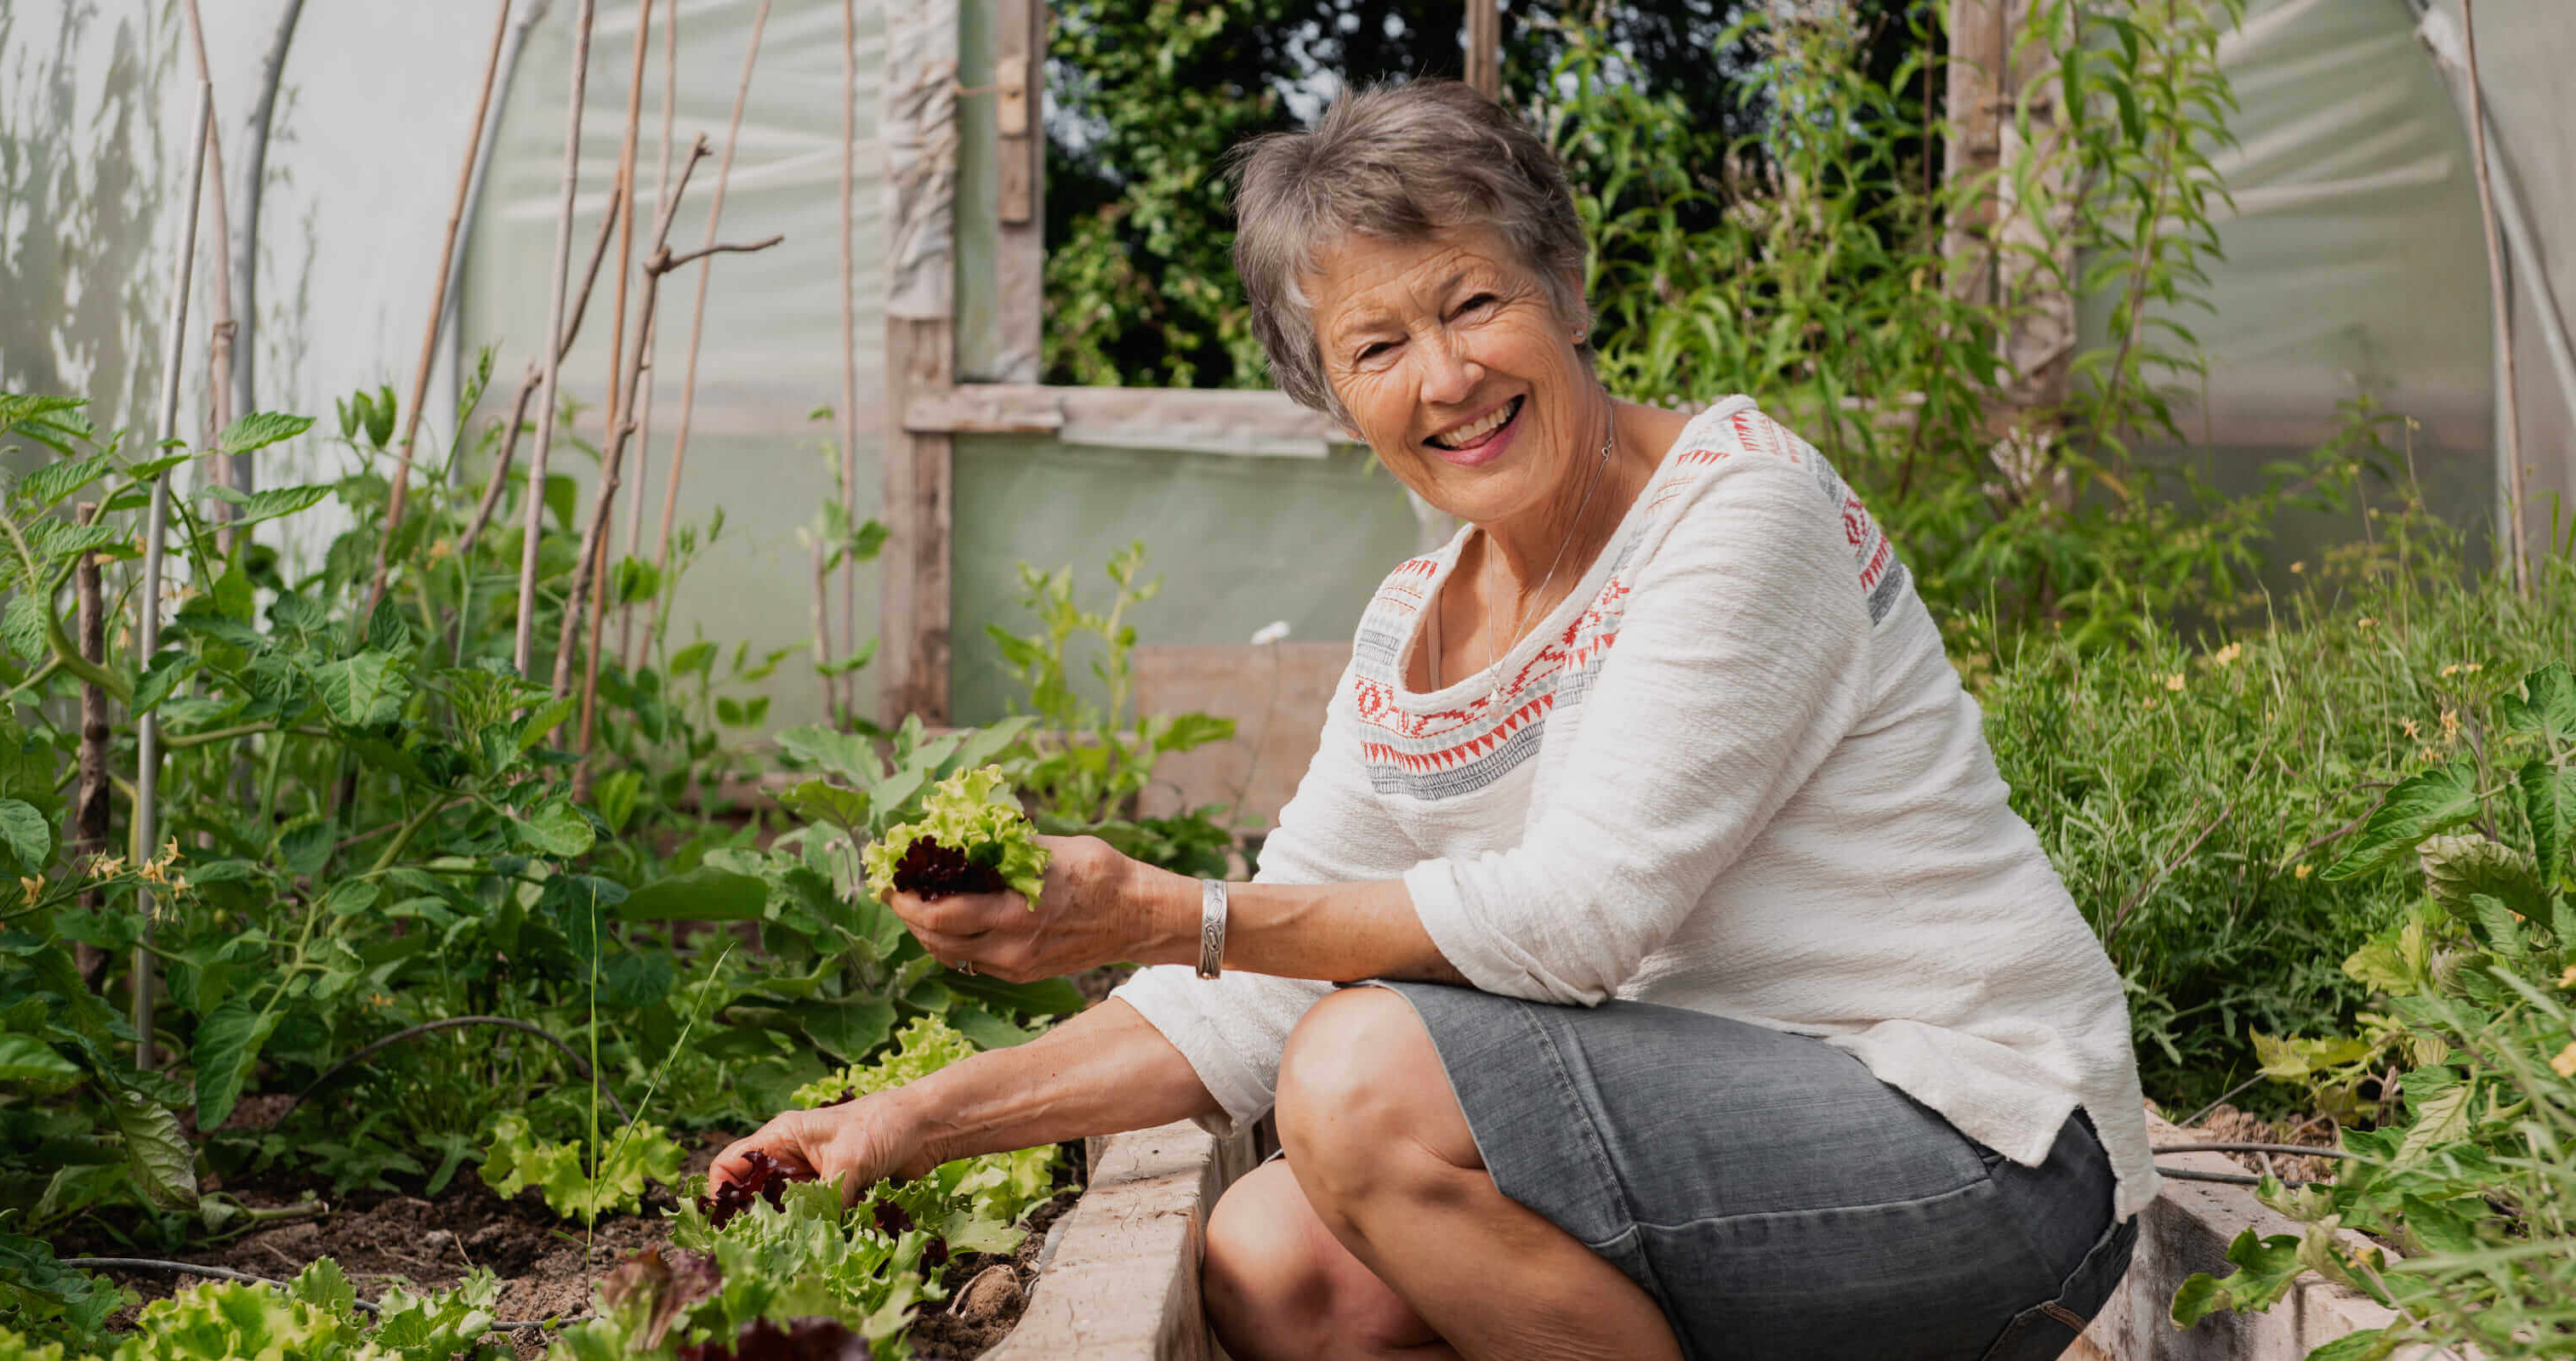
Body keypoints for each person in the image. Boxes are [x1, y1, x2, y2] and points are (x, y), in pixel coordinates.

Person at [713, 78, 2154, 1361]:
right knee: (1276, 1267)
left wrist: (1158, 910)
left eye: (1473, 302)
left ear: (1565, 290)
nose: (1447, 379)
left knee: (1360, 1083)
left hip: (1981, 1158)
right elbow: (1247, 993)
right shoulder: (1415, 624)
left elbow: (1580, 920)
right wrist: (906, 1124)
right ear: (1332, 394)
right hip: (1715, 1168)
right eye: (1377, 345)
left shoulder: (1734, 509)